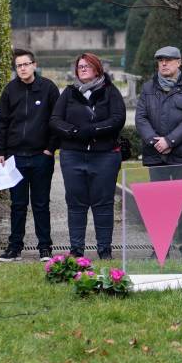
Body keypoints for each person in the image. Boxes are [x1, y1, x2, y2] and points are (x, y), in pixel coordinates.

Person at [50, 53, 126, 259]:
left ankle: (104, 250)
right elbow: (55, 120)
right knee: (76, 204)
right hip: (73, 156)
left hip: (104, 157)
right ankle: (76, 251)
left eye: (87, 66)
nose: (82, 69)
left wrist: (93, 130)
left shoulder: (110, 92)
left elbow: (118, 119)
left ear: (97, 68)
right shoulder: (69, 93)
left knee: (103, 204)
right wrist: (74, 132)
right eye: (80, 66)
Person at [134, 45, 182, 260]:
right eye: (160, 60)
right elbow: (141, 118)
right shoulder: (148, 88)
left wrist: (170, 140)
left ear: (179, 62)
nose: (164, 63)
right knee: (159, 203)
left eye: (169, 60)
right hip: (156, 154)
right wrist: (155, 141)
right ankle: (160, 247)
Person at [0, 49, 60, 262]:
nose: (22, 68)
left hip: (41, 156)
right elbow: (1, 122)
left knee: (41, 203)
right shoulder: (10, 90)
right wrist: (0, 153)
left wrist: (50, 148)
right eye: (18, 65)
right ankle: (14, 248)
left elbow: (57, 120)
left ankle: (44, 248)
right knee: (17, 204)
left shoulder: (48, 88)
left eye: (26, 64)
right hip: (14, 157)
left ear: (34, 65)